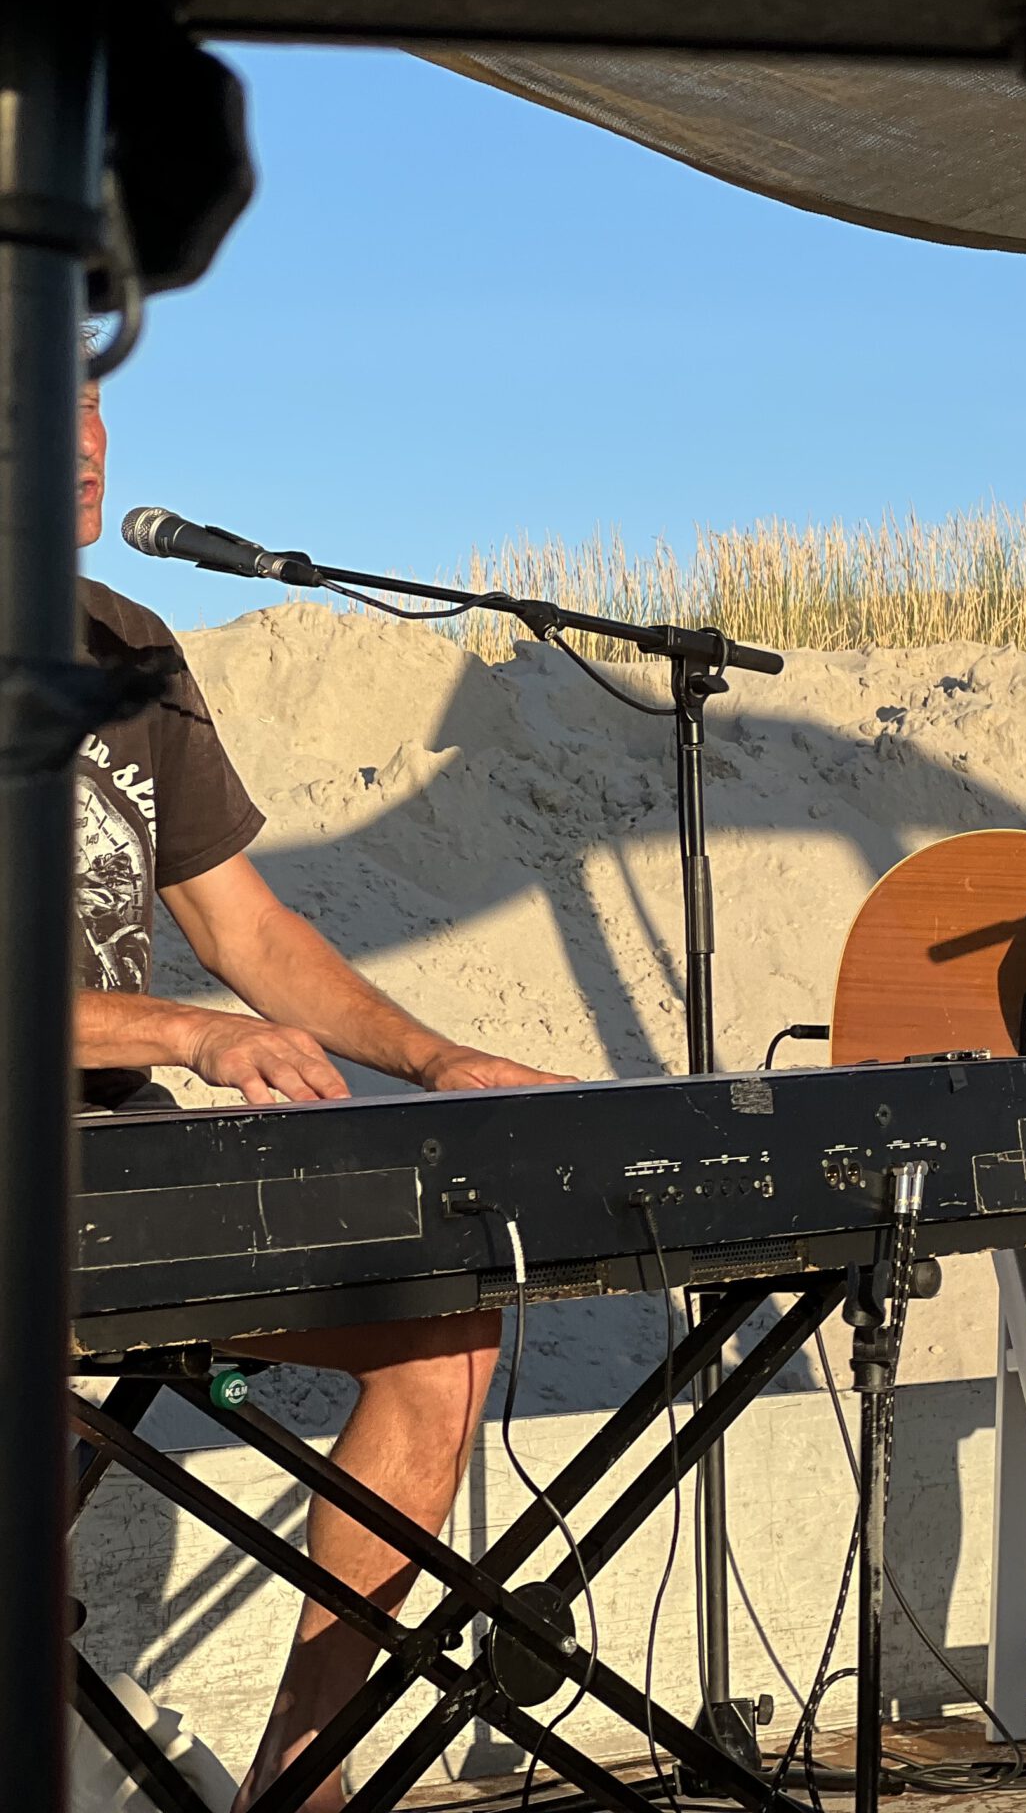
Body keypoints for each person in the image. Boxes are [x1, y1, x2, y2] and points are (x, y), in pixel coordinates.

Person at [70, 373, 567, 1813]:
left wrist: (433, 1059)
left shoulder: (129, 644)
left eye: (95, 407)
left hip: (119, 1173)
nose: (89, 444)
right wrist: (188, 1031)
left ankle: (308, 1775)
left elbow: (249, 928)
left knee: (437, 1336)